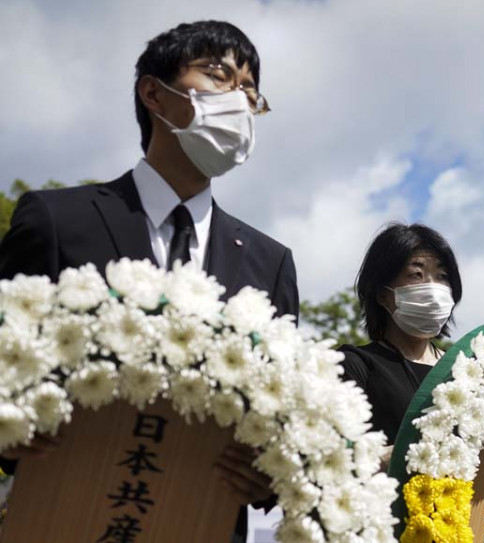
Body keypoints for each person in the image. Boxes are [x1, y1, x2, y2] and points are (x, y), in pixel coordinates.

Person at [0, 20, 298, 543]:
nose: (240, 100)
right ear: (153, 93)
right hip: (62, 516)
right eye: (219, 75)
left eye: (251, 92)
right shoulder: (57, 218)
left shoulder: (269, 263)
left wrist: (269, 476)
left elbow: (282, 414)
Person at [338, 223, 484, 466]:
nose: (434, 288)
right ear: (382, 293)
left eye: (442, 277)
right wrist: (393, 457)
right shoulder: (354, 365)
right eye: (416, 274)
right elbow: (333, 460)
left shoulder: (470, 370)